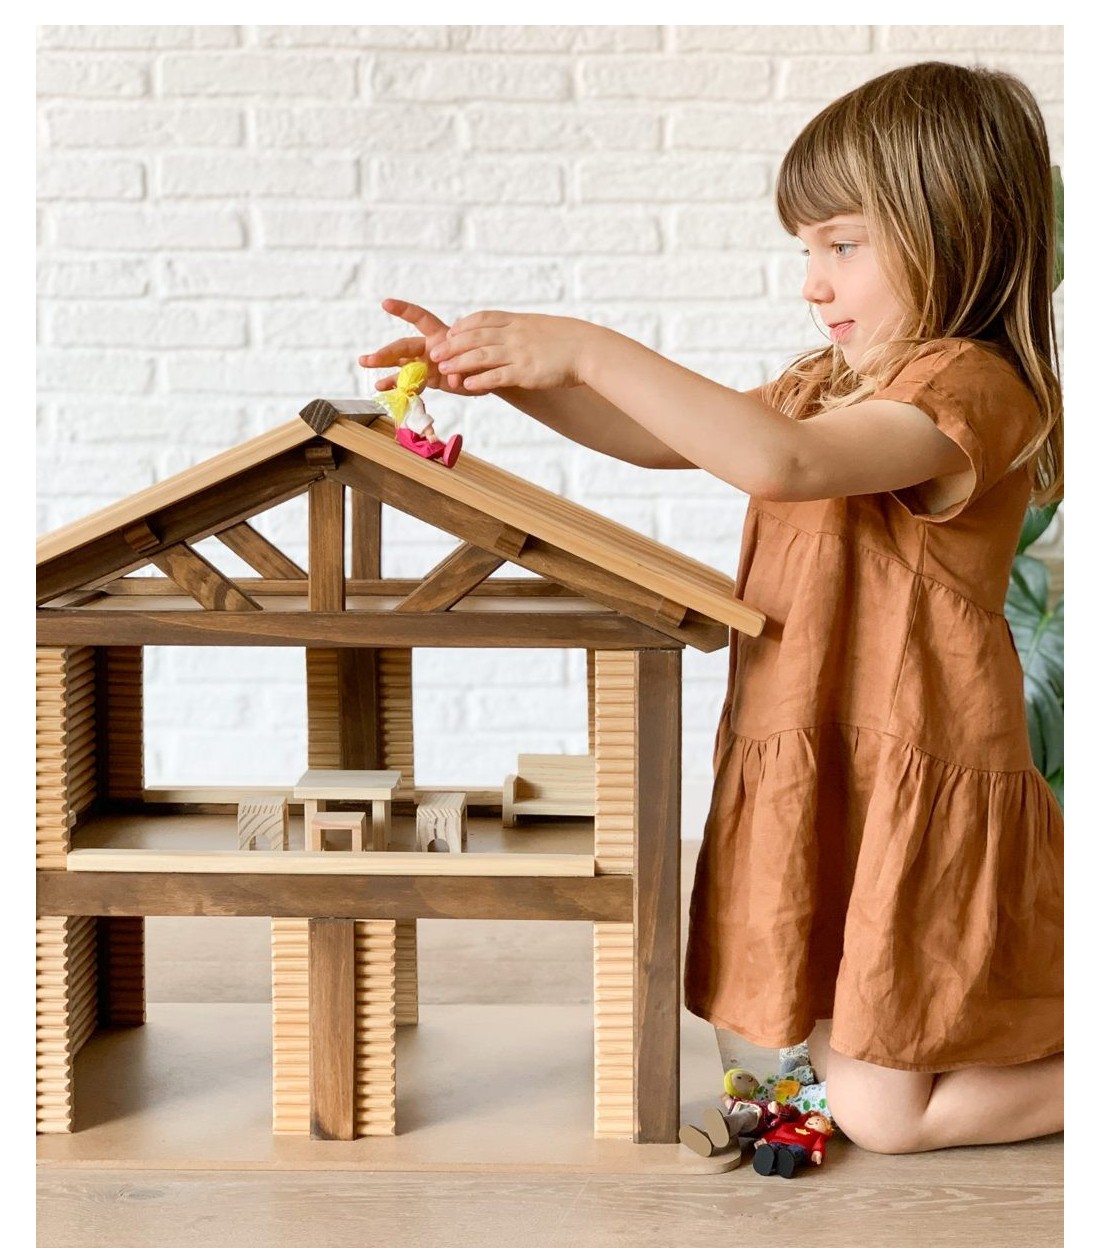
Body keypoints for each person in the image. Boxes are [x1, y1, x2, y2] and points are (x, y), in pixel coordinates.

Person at [358, 61, 1064, 1155]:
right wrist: (514, 379)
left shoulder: (967, 387)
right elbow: (662, 438)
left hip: (907, 759)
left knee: (882, 1116)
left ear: (952, 227)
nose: (813, 283)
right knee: (796, 1036)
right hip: (818, 746)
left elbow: (781, 463)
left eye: (841, 244)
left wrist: (585, 344)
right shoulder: (827, 382)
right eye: (804, 252)